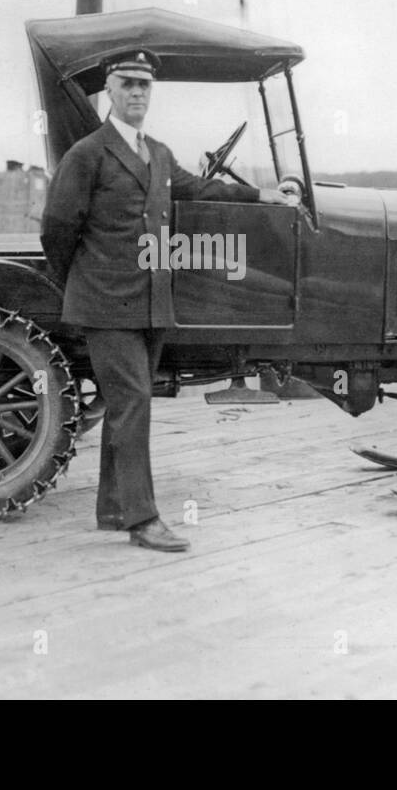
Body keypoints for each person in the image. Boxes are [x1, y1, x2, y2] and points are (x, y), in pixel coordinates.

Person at [40, 50, 296, 551]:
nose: (137, 93)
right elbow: (57, 228)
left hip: (151, 303)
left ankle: (114, 508)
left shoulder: (156, 152)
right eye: (127, 84)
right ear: (109, 92)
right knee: (132, 402)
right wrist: (84, 279)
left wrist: (262, 197)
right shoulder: (88, 153)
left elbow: (198, 188)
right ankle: (143, 519)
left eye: (144, 86)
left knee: (125, 406)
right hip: (105, 305)